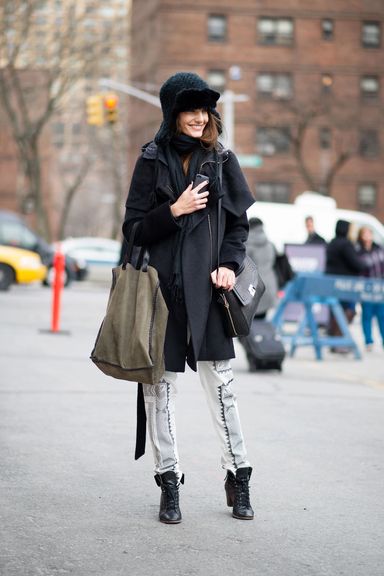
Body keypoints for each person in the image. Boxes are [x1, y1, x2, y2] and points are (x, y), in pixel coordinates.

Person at [122, 72, 255, 524]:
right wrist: (173, 211)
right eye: (190, 109)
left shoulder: (221, 160)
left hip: (210, 292)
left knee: (222, 388)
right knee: (159, 390)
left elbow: (238, 228)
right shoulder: (152, 159)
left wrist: (229, 266)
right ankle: (170, 482)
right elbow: (133, 230)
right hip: (160, 296)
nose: (199, 117)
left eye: (204, 109)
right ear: (172, 113)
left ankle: (238, 476)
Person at [326, 219, 366, 348]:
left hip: (331, 284)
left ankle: (334, 340)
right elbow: (357, 264)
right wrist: (364, 264)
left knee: (335, 312)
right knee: (348, 310)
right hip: (345, 286)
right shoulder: (346, 244)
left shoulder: (331, 243)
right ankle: (339, 341)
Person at [356, 226, 384, 351]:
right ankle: (368, 341)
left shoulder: (379, 249)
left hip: (379, 286)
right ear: (361, 236)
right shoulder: (359, 252)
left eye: (369, 234)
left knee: (381, 314)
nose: (367, 237)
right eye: (364, 234)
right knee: (366, 314)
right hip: (366, 287)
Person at [245, 217, 278, 320]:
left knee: (248, 323)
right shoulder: (270, 244)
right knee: (261, 323)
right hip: (269, 287)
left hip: (252, 287)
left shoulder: (246, 244)